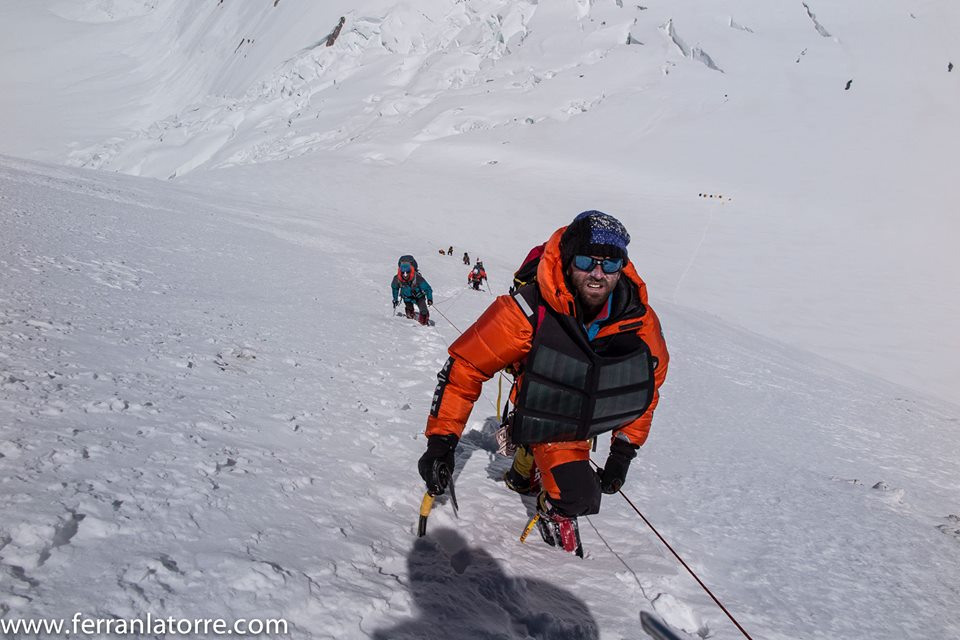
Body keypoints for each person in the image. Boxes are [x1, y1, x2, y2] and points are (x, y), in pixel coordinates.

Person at [417, 211, 669, 554]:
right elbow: (465, 368)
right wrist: (441, 443)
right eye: (586, 261)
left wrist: (623, 451)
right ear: (567, 261)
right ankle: (530, 479)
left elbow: (645, 387)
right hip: (543, 411)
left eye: (610, 265)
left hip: (581, 420)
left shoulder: (638, 321)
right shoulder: (527, 311)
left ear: (622, 267)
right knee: (551, 471)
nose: (598, 274)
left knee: (579, 498)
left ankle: (545, 494)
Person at [391, 255, 433, 326]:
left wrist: (429, 299)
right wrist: (395, 299)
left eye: (407, 272)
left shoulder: (417, 277)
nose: (405, 275)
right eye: (403, 273)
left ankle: (424, 322)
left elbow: (427, 288)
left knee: (423, 310)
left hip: (419, 296)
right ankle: (410, 319)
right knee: (409, 308)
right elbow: (395, 288)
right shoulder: (397, 279)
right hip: (407, 297)